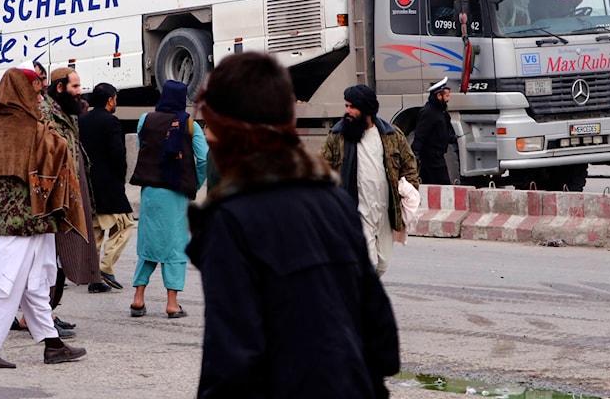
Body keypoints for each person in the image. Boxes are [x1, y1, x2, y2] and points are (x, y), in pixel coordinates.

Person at [187, 52, 400, 398]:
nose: (208, 136)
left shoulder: (231, 221)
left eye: (210, 124)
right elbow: (382, 342)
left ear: (228, 128)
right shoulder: (334, 203)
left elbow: (230, 367)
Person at [0, 63, 87, 368]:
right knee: (8, 284)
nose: (39, 94)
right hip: (23, 219)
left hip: (21, 217)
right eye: (34, 88)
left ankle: (52, 344)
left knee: (35, 282)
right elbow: (57, 152)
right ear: (22, 89)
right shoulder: (26, 124)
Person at [321, 84, 420, 277]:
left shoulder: (391, 135)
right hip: (355, 210)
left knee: (382, 264)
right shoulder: (338, 136)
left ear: (366, 109)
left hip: (384, 210)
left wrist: (409, 191)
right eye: (346, 106)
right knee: (368, 263)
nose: (347, 111)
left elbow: (410, 167)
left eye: (352, 107)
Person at [128, 79, 207, 318]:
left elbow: (144, 148)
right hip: (176, 194)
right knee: (174, 246)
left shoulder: (145, 120)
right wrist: (195, 183)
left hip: (150, 192)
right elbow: (203, 159)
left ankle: (138, 299)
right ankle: (172, 304)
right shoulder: (190, 125)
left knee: (148, 245)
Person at [41, 68, 110, 294]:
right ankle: (40, 315)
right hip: (55, 196)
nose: (80, 92)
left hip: (74, 190)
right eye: (75, 87)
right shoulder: (45, 113)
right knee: (52, 258)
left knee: (66, 256)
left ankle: (46, 313)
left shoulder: (69, 114)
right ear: (59, 87)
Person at [79, 82, 134, 290]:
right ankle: (105, 267)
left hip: (88, 183)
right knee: (125, 224)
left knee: (96, 230)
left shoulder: (81, 121)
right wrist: (121, 177)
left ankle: (94, 276)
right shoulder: (111, 122)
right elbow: (117, 154)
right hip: (109, 184)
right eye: (116, 99)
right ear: (110, 100)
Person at [411, 77, 455, 185]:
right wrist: (415, 154)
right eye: (447, 96)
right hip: (431, 158)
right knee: (444, 186)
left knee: (430, 185)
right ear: (439, 96)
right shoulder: (428, 112)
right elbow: (420, 134)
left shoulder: (441, 111)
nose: (448, 99)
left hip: (437, 157)